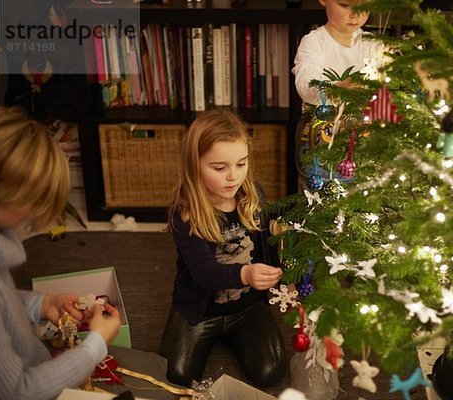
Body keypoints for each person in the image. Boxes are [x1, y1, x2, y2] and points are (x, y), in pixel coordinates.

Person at [0, 106, 122, 400]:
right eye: (35, 200)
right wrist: (96, 344)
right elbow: (18, 392)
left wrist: (40, 304)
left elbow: (0, 305)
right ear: (4, 194)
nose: (36, 211)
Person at [159, 110, 286, 388]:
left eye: (241, 164)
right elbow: (202, 271)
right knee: (176, 375)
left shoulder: (253, 196)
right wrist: (245, 274)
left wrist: (281, 273)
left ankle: (237, 332)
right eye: (220, 168)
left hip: (248, 306)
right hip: (200, 310)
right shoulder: (187, 213)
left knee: (271, 372)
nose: (233, 177)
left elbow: (268, 248)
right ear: (195, 166)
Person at [292, 0, 380, 189]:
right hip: (319, 137)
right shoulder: (314, 42)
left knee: (361, 194)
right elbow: (305, 84)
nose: (355, 15)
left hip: (362, 137)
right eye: (345, 5)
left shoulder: (374, 45)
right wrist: (339, 87)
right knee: (316, 195)